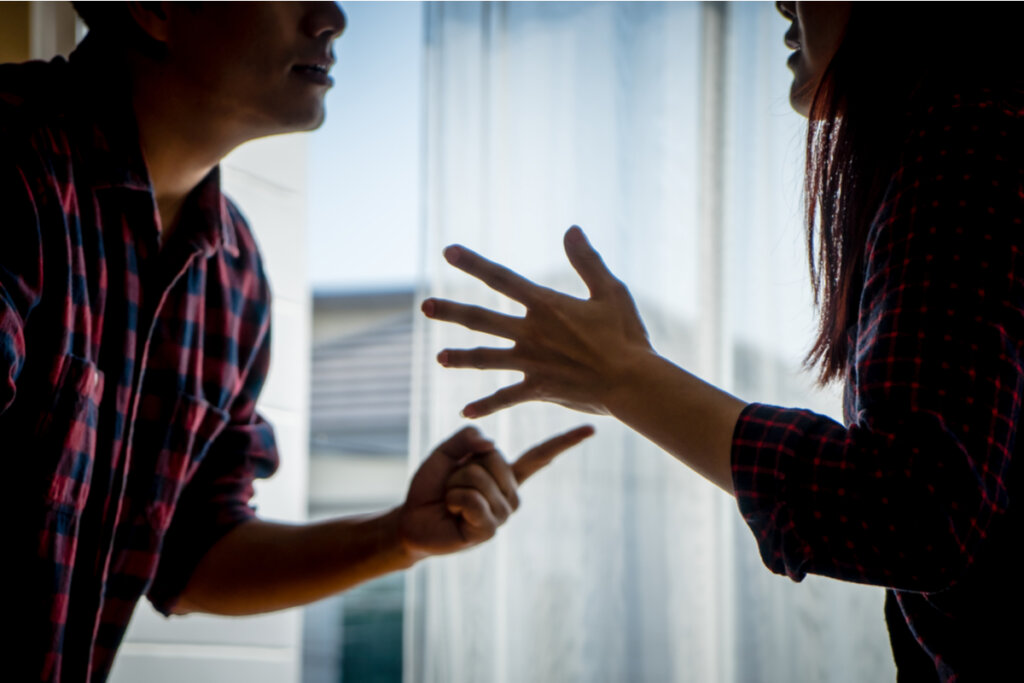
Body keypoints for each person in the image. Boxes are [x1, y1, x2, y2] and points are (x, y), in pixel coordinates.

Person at [422, 2, 1021, 681]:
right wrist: (627, 379)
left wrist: (628, 379)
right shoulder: (971, 130)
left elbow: (915, 512)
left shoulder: (969, 137)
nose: (780, 2)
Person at [1, 2, 593, 680]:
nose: (333, 16)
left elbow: (191, 553)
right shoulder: (15, 163)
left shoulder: (231, 268)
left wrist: (399, 535)